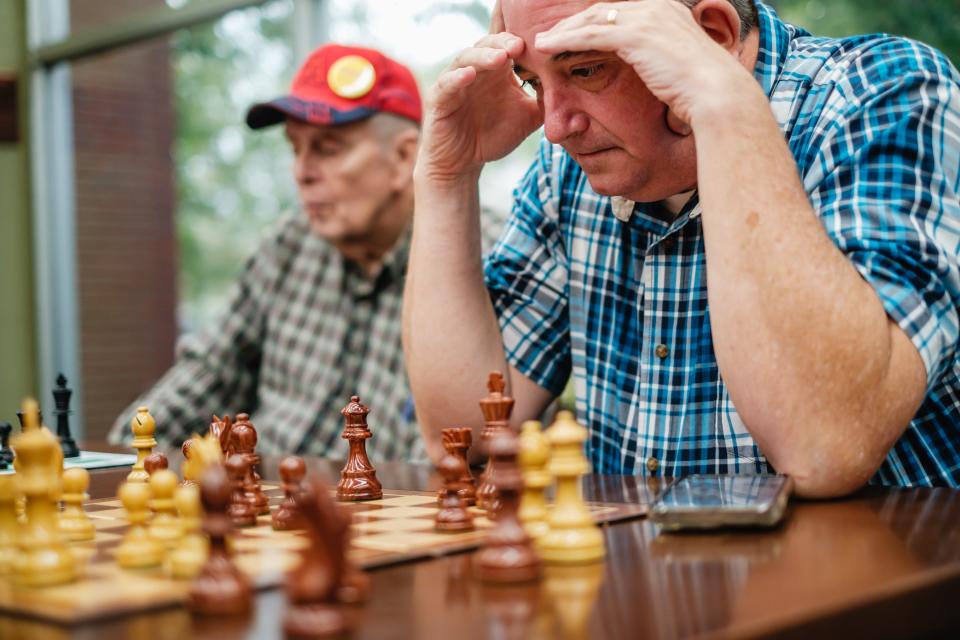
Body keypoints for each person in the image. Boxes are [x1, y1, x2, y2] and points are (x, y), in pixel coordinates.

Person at [404, 0, 960, 496]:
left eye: (586, 68)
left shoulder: (879, 94)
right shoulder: (566, 174)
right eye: (533, 81)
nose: (554, 127)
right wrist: (447, 173)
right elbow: (468, 434)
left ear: (713, 37)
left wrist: (722, 101)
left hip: (875, 594)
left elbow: (823, 449)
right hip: (643, 593)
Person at [110, 44, 499, 461]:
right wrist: (117, 464)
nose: (302, 171)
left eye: (328, 148)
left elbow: (469, 452)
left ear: (404, 156)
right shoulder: (288, 244)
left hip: (393, 514)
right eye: (295, 148)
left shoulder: (490, 252)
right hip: (268, 508)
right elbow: (207, 373)